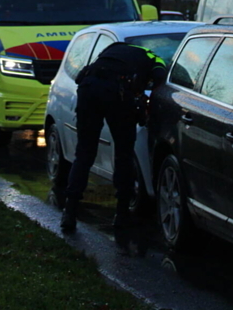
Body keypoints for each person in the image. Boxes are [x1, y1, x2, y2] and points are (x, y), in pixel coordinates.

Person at [60, 41, 167, 233]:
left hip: (88, 88)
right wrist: (145, 99)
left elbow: (81, 77)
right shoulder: (154, 57)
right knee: (123, 153)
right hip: (117, 93)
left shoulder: (112, 49)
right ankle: (121, 214)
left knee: (84, 153)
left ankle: (69, 212)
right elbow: (159, 77)